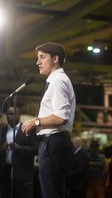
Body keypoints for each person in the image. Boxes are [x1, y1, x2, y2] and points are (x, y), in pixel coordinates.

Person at [22, 42, 76, 198]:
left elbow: (61, 117)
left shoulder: (58, 81)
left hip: (54, 143)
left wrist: (36, 122)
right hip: (53, 143)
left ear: (55, 59)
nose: (37, 62)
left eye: (42, 57)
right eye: (37, 57)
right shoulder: (56, 80)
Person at [1, 106, 38, 198]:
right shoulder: (2, 131)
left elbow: (36, 149)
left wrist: (20, 148)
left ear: (19, 115)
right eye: (8, 114)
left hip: (23, 174)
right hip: (6, 173)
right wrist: (1, 148)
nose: (9, 116)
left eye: (12, 114)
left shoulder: (28, 130)